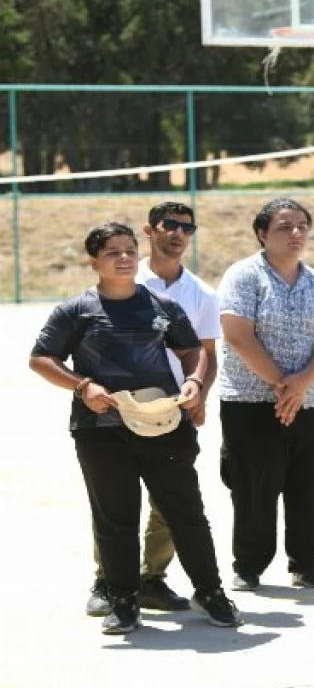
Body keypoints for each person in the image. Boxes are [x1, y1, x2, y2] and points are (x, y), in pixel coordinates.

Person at [29, 222, 243, 634]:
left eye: (129, 250)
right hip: (100, 428)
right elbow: (41, 358)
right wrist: (82, 385)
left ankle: (211, 593)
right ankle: (123, 601)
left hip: (164, 425)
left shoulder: (163, 305)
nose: (124, 258)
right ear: (94, 261)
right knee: (116, 518)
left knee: (187, 514)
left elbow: (193, 349)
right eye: (113, 252)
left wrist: (196, 382)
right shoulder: (76, 311)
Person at [83, 202, 222, 617]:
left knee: (170, 507)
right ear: (149, 230)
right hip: (116, 414)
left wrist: (200, 394)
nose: (179, 233)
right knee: (113, 503)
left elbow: (206, 353)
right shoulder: (122, 272)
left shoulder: (201, 294)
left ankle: (150, 579)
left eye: (187, 227)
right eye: (170, 225)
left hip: (170, 414)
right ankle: (108, 581)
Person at [217, 198, 314, 591]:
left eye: (302, 226)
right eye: (285, 227)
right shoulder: (244, 276)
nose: (296, 234)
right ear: (262, 234)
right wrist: (281, 384)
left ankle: (306, 563)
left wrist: (301, 384)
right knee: (254, 488)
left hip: (312, 404)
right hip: (251, 404)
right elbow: (238, 335)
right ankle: (249, 565)